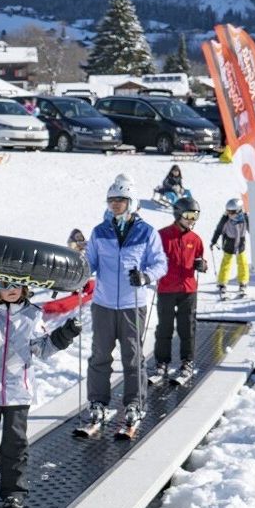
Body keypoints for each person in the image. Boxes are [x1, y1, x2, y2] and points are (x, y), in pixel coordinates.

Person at [0, 277, 81, 508]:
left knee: (15, 443)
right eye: (4, 285)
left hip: (18, 392)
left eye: (16, 285)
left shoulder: (32, 315)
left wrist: (65, 333)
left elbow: (43, 349)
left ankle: (13, 491)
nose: (11, 290)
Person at [83, 175, 167, 430]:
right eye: (111, 200)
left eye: (120, 200)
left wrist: (145, 276)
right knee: (99, 355)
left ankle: (135, 403)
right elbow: (90, 263)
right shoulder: (100, 231)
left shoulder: (146, 232)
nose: (115, 204)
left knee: (132, 357)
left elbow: (160, 263)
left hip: (133, 305)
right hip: (104, 304)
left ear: (131, 202)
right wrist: (77, 270)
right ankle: (98, 402)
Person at [153, 196, 206, 382]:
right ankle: (162, 362)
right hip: (166, 289)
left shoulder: (196, 240)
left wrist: (202, 265)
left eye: (196, 215)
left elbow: (199, 260)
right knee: (164, 328)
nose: (192, 219)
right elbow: (151, 258)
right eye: (189, 214)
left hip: (188, 290)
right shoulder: (161, 236)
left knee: (187, 328)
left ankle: (187, 361)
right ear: (178, 213)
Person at [211, 197, 250, 298]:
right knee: (226, 263)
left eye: (231, 212)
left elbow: (251, 229)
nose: (229, 214)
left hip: (241, 242)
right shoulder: (225, 218)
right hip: (229, 242)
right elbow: (218, 230)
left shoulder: (245, 218)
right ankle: (222, 283)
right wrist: (213, 241)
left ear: (239, 210)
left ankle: (243, 282)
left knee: (242, 263)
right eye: (228, 211)